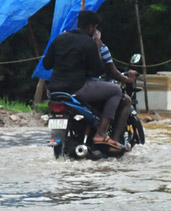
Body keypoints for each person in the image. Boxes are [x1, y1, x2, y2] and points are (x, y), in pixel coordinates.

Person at [42, 10, 131, 149]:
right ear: (91, 27)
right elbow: (99, 71)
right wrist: (97, 46)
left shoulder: (59, 39)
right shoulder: (89, 43)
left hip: (54, 91)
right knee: (116, 91)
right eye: (94, 27)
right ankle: (101, 133)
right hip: (77, 89)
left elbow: (46, 64)